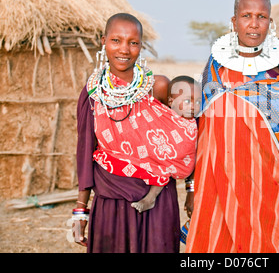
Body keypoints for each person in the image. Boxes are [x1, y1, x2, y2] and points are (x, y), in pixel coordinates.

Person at [185, 0, 279, 253]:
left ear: (270, 22)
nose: (254, 24)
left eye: (261, 16)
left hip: (266, 185)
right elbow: (201, 128)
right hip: (215, 183)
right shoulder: (215, 66)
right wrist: (192, 185)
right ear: (234, 21)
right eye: (246, 15)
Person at [73, 13, 197, 253]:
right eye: (116, 41)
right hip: (111, 200)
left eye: (133, 42)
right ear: (103, 42)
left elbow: (188, 138)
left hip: (158, 203)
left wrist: (191, 190)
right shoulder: (92, 94)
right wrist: (80, 210)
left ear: (141, 46)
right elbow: (85, 152)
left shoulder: (158, 86)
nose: (124, 49)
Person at [131, 75, 201, 213]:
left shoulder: (192, 124)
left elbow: (186, 149)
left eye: (198, 102)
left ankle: (150, 198)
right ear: (170, 101)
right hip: (150, 157)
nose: (193, 107)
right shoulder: (162, 115)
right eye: (187, 101)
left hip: (170, 163)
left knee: (165, 168)